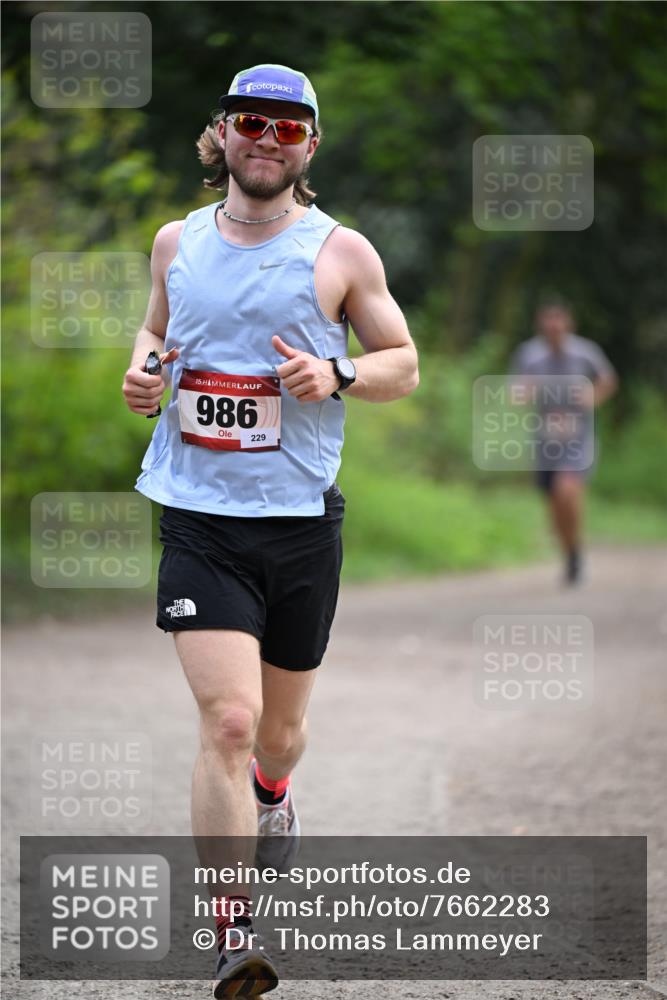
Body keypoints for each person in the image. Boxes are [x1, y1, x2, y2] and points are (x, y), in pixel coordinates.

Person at [121, 63, 418, 997]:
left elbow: (403, 362)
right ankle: (231, 931)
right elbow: (155, 333)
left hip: (298, 526)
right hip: (199, 517)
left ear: (309, 147)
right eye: (252, 121)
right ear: (223, 132)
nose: (267, 139)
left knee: (278, 739)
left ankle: (275, 794)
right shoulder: (176, 241)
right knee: (231, 721)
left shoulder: (342, 253)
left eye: (288, 129)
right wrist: (143, 373)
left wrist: (337, 374)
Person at [510, 299, 618, 585]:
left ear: (569, 324)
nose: (554, 327)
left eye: (559, 321)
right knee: (554, 504)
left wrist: (593, 396)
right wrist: (526, 392)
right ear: (541, 325)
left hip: (577, 438)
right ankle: (570, 552)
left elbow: (608, 379)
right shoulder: (529, 354)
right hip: (545, 439)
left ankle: (575, 550)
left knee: (567, 490)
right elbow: (515, 391)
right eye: (549, 321)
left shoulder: (586, 352)